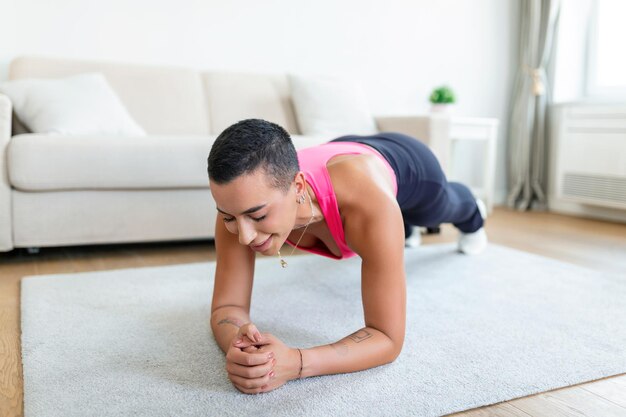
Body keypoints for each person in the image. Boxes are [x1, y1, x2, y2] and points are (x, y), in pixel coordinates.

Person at [207, 118, 487, 394]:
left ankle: (473, 213)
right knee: (389, 233)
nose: (244, 236)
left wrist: (297, 362)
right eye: (229, 217)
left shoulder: (369, 206)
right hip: (343, 152)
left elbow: (387, 339)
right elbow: (226, 308)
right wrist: (241, 345)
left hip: (411, 165)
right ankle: (404, 229)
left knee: (444, 208)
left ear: (299, 188)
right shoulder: (240, 205)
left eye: (258, 216)